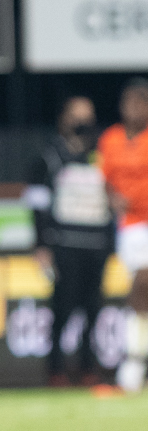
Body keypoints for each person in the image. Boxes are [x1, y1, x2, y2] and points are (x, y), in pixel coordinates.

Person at [24, 96, 113, 386]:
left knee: (92, 309)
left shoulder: (102, 156)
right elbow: (36, 204)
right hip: (65, 245)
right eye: (76, 116)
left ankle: (88, 369)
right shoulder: (49, 157)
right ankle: (56, 370)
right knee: (62, 308)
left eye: (88, 116)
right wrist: (41, 245)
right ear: (63, 119)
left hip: (96, 244)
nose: (83, 123)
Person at [99, 78, 148, 393]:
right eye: (129, 102)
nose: (134, 108)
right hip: (131, 224)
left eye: (140, 103)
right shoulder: (111, 139)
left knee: (143, 285)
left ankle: (135, 363)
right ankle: (135, 361)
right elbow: (104, 178)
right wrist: (112, 197)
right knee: (141, 285)